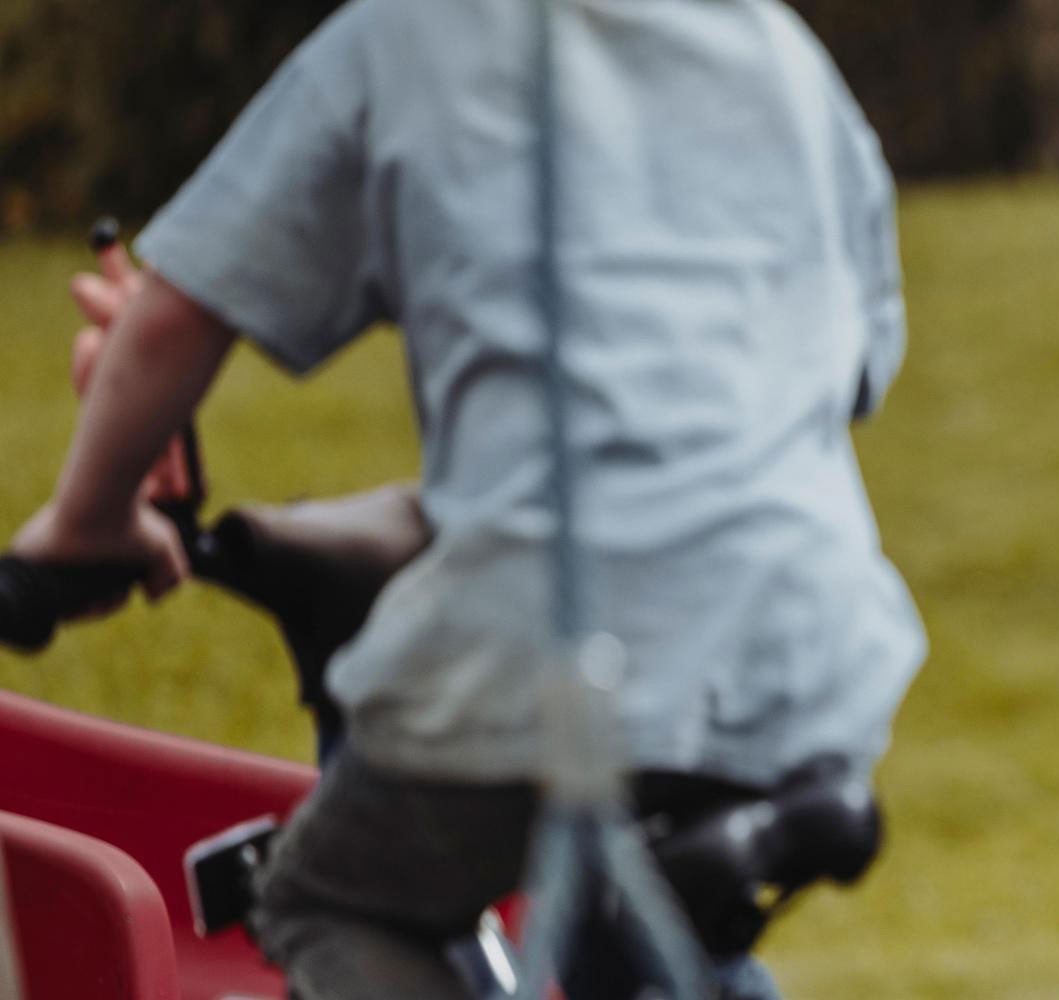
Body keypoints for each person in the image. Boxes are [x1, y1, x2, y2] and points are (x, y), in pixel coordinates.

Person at [7, 1, 924, 996]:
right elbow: (860, 365)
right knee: (644, 924)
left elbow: (175, 318)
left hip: (553, 632)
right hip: (815, 645)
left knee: (325, 895)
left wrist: (87, 522)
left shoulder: (404, 36)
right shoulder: (776, 47)